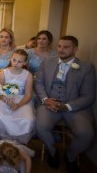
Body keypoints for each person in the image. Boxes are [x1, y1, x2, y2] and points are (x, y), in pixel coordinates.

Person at [35, 35, 96, 172]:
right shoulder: (47, 62)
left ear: (75, 49)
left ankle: (70, 156)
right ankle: (52, 151)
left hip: (75, 108)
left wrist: (67, 106)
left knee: (86, 134)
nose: (61, 50)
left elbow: (88, 96)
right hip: (49, 105)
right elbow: (38, 83)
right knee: (40, 126)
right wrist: (45, 100)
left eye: (66, 47)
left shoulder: (86, 68)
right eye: (59, 46)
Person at [0, 49, 35, 144]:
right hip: (4, 98)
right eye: (14, 60)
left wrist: (18, 105)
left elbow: (28, 95)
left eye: (20, 61)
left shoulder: (28, 75)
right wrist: (6, 100)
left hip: (22, 100)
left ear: (25, 62)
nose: (16, 63)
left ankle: (16, 142)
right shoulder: (3, 72)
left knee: (27, 118)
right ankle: (2, 140)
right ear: (10, 59)